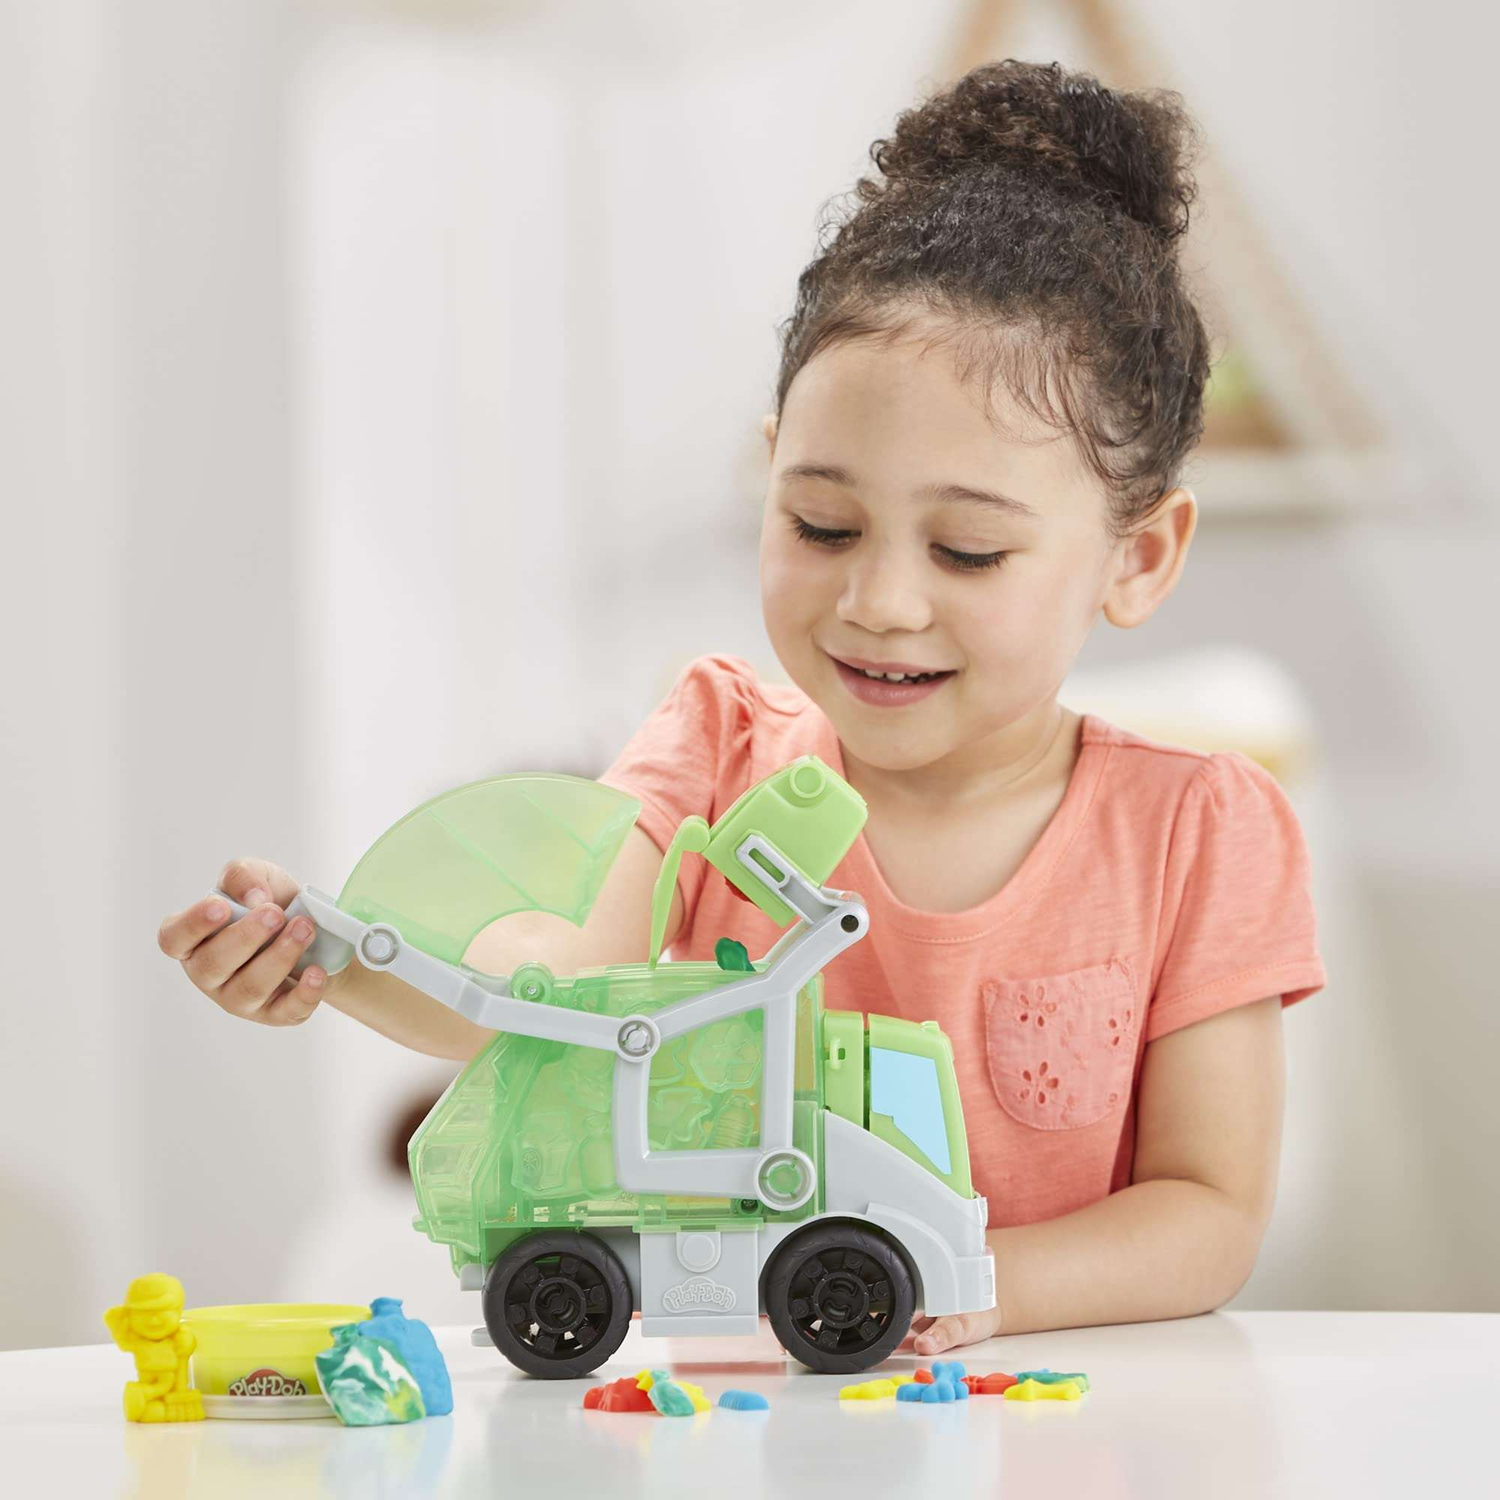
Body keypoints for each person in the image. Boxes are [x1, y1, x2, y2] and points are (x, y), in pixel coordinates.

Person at [157, 59, 1324, 1357]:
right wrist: (337, 959)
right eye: (821, 524)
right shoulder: (713, 753)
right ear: (772, 476)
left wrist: (959, 1287)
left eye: (968, 552)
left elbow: (1208, 1214)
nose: (880, 601)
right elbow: (555, 986)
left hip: (1070, 1417)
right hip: (753, 1420)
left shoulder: (1199, 832)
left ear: (1138, 558)